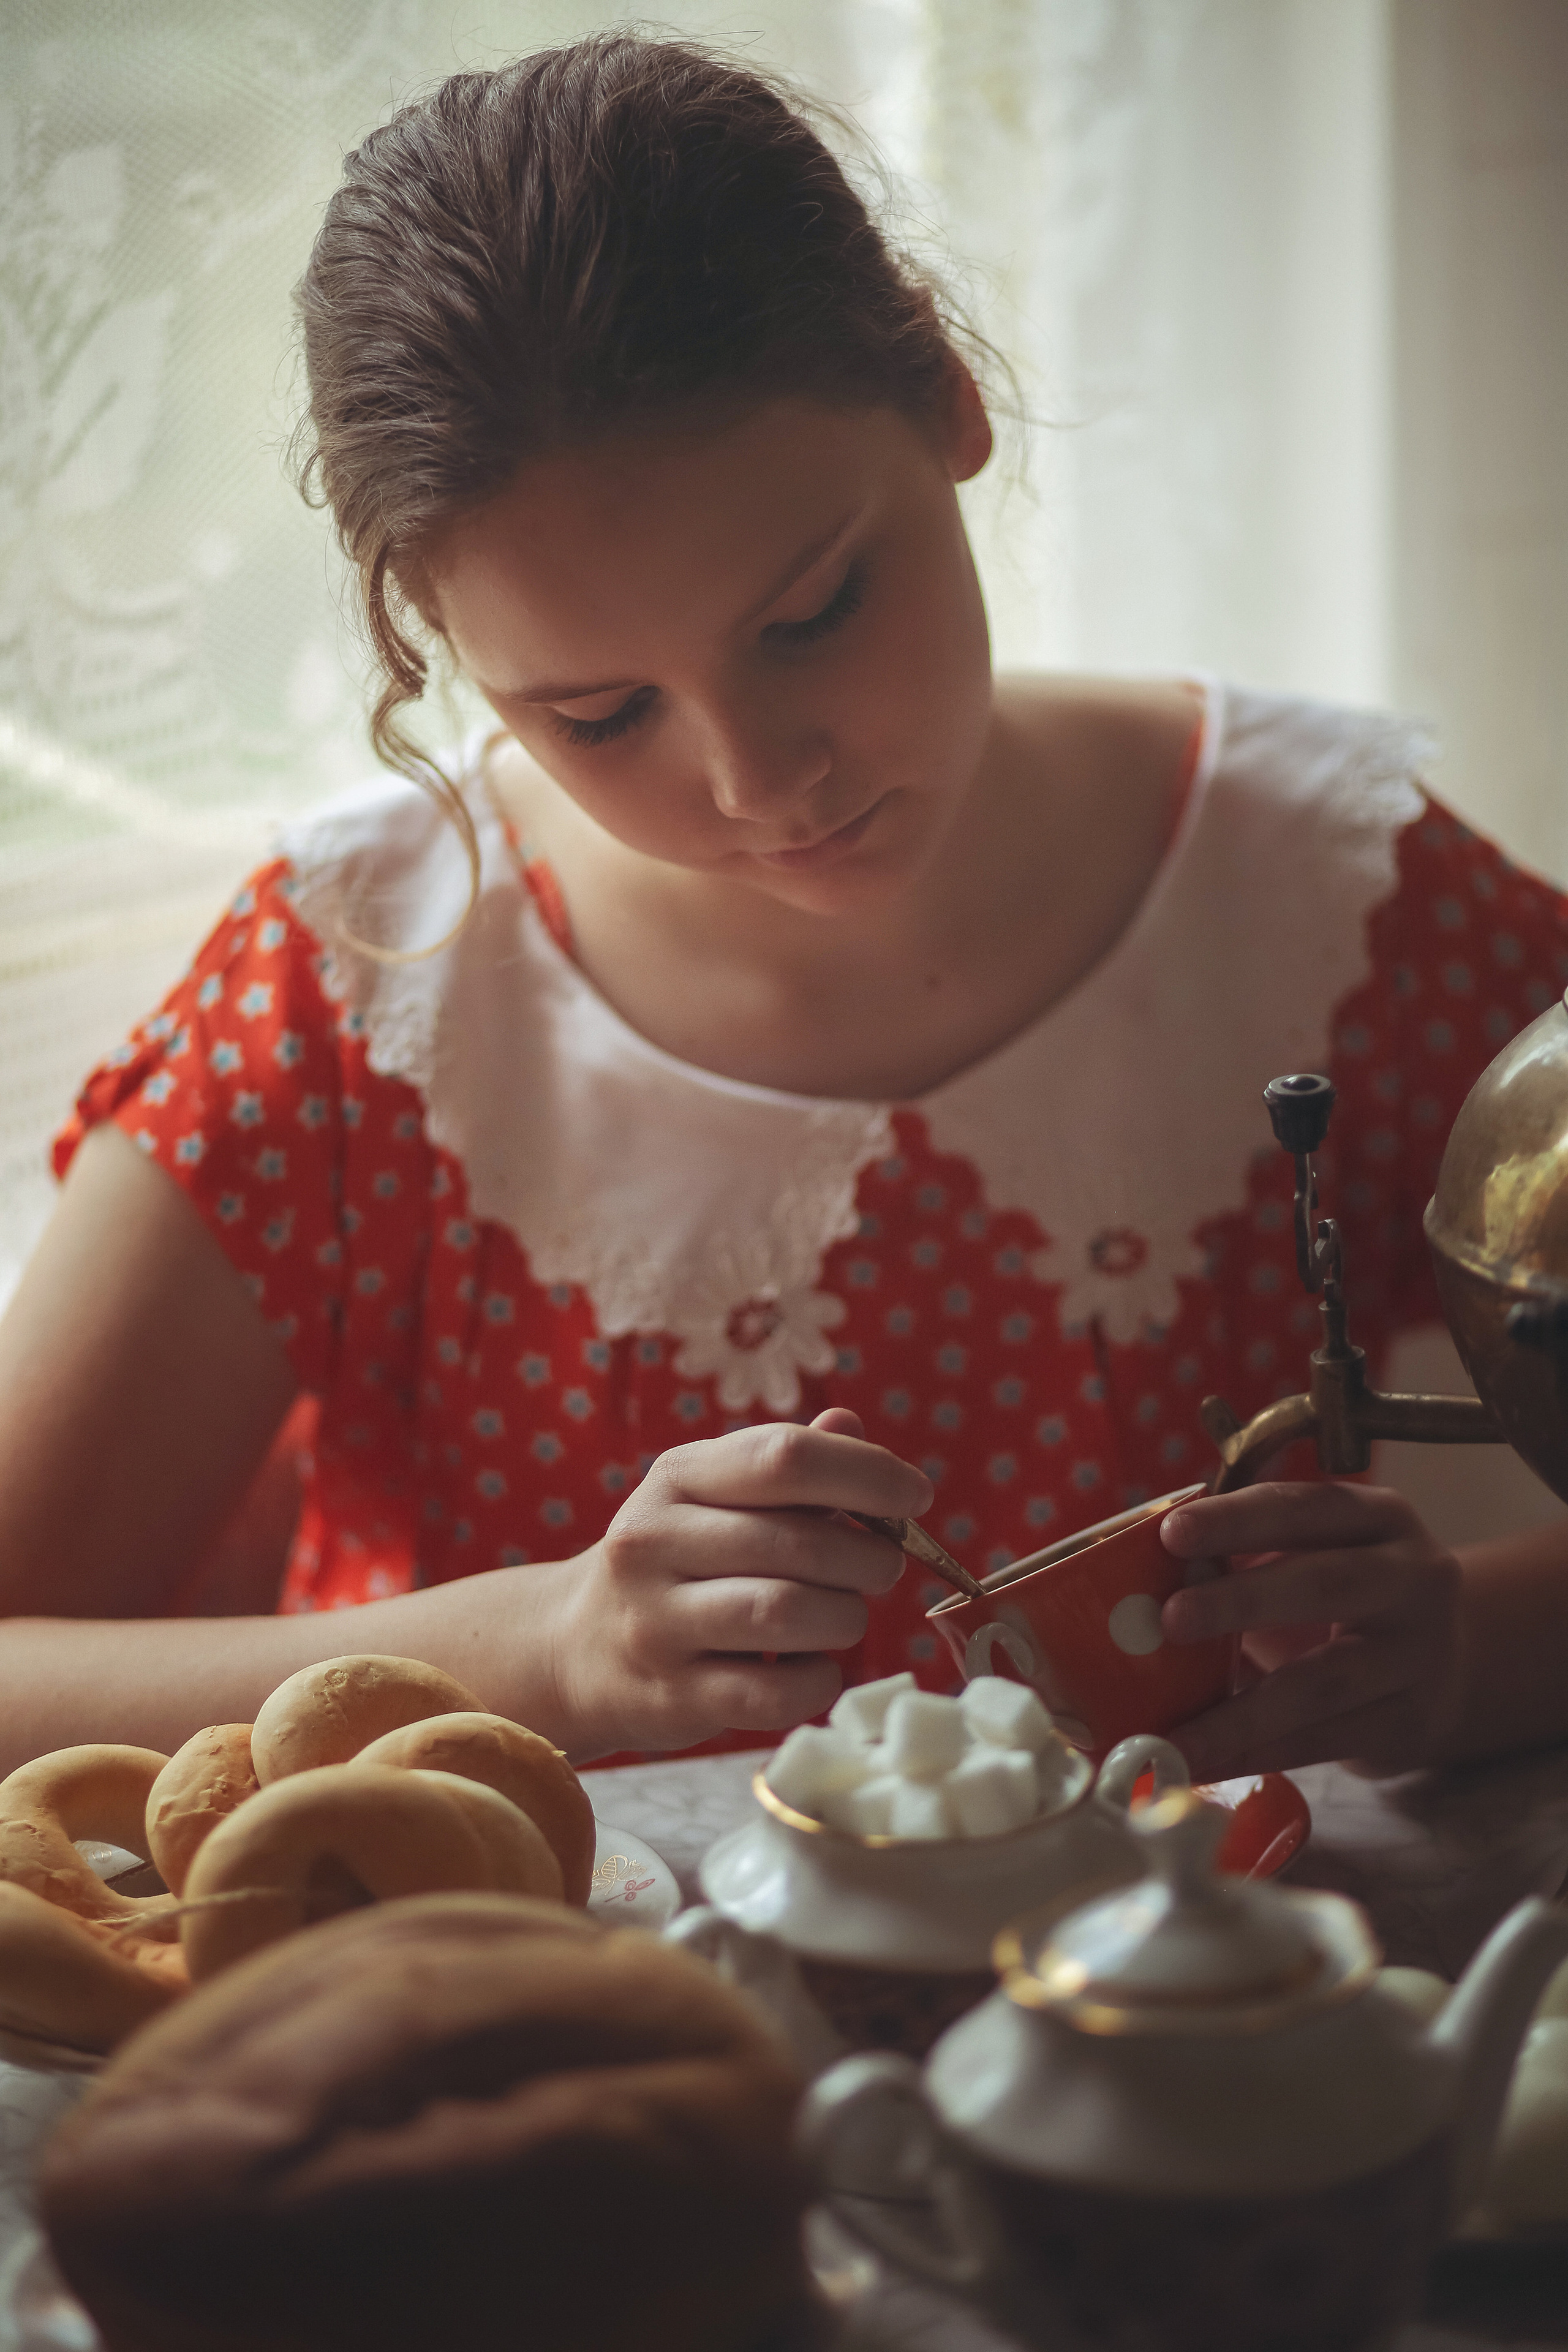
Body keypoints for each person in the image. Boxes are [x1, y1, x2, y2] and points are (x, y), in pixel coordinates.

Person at [2, 33, 1566, 1783]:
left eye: (813, 609)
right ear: (445, 657)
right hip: (533, 2038)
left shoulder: (1334, 903)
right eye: (598, 717)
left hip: (1179, 2032)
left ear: (950, 392)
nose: (761, 786)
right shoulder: (365, 983)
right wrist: (542, 1647)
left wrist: (1471, 1654)